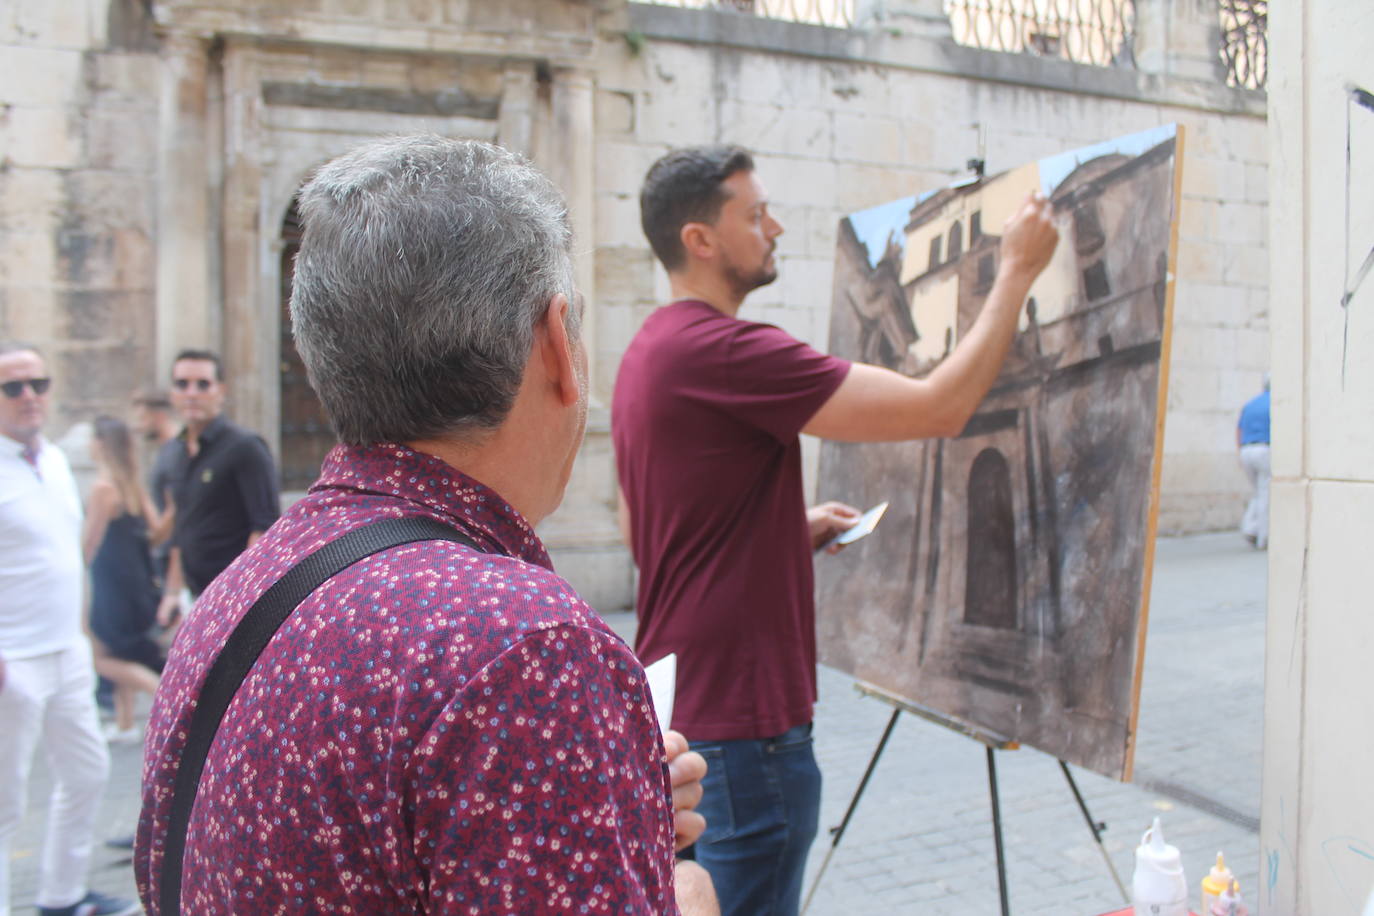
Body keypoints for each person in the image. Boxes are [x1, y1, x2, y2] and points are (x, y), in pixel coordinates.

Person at [135, 135, 718, 915]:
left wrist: (607, 808)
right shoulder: (525, 651)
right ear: (556, 344)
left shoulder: (239, 591)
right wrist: (684, 892)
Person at [612, 144, 1059, 916]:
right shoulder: (728, 352)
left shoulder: (651, 351)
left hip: (682, 715)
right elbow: (939, 407)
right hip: (745, 735)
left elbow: (647, 526)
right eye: (755, 215)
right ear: (701, 240)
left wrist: (784, 531)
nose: (776, 227)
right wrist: (1017, 270)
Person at [0, 343, 140, 916]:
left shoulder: (55, 460)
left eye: (39, 383)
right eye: (13, 388)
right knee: (6, 803)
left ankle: (61, 895)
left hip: (65, 649)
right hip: (14, 657)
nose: (30, 397)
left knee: (86, 773)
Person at [156, 349, 279, 625]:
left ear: (220, 391)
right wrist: (172, 592)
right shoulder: (175, 452)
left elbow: (264, 526)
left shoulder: (245, 447)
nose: (192, 393)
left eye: (203, 384)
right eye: (182, 384)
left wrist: (239, 595)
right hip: (192, 597)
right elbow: (181, 526)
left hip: (231, 601)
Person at [83, 416, 163, 744]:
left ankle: (162, 696)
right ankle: (126, 722)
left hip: (110, 585)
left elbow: (88, 544)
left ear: (102, 444)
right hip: (136, 585)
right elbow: (156, 532)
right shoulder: (132, 485)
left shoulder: (103, 488)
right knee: (120, 653)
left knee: (100, 658)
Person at [1237, 374, 1270, 550]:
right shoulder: (1275, 403)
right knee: (1266, 493)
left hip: (1245, 450)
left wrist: (1239, 453)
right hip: (1264, 450)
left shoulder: (1251, 404)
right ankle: (1264, 537)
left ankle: (1250, 528)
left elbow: (1239, 429)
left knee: (1258, 491)